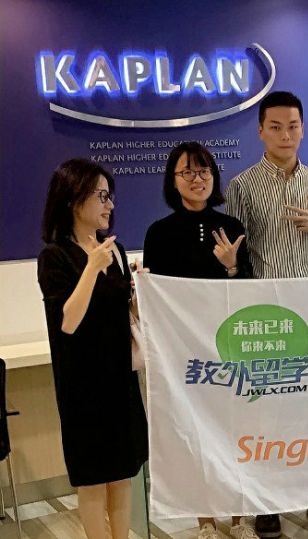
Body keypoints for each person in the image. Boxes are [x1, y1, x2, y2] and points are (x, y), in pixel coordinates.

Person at [226, 91, 308, 536]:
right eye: (276, 127)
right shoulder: (242, 186)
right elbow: (238, 259)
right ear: (261, 130)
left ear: (303, 129)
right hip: (269, 313)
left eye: (293, 126)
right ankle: (269, 503)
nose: (285, 134)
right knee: (270, 413)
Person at [143, 142, 253, 539]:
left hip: (230, 346)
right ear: (173, 181)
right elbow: (158, 298)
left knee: (235, 431)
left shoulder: (232, 227)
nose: (197, 179)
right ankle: (205, 520)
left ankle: (240, 517)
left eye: (204, 170)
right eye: (187, 172)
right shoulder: (159, 233)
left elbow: (249, 291)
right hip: (186, 353)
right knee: (196, 435)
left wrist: (232, 267)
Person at [37, 159, 148, 539]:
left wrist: (139, 292)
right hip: (82, 386)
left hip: (119, 378)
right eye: (101, 196)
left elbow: (125, 314)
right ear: (74, 199)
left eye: (109, 196)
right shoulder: (55, 256)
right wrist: (90, 268)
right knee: (92, 480)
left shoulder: (113, 251)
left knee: (123, 474)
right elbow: (67, 321)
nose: (109, 205)